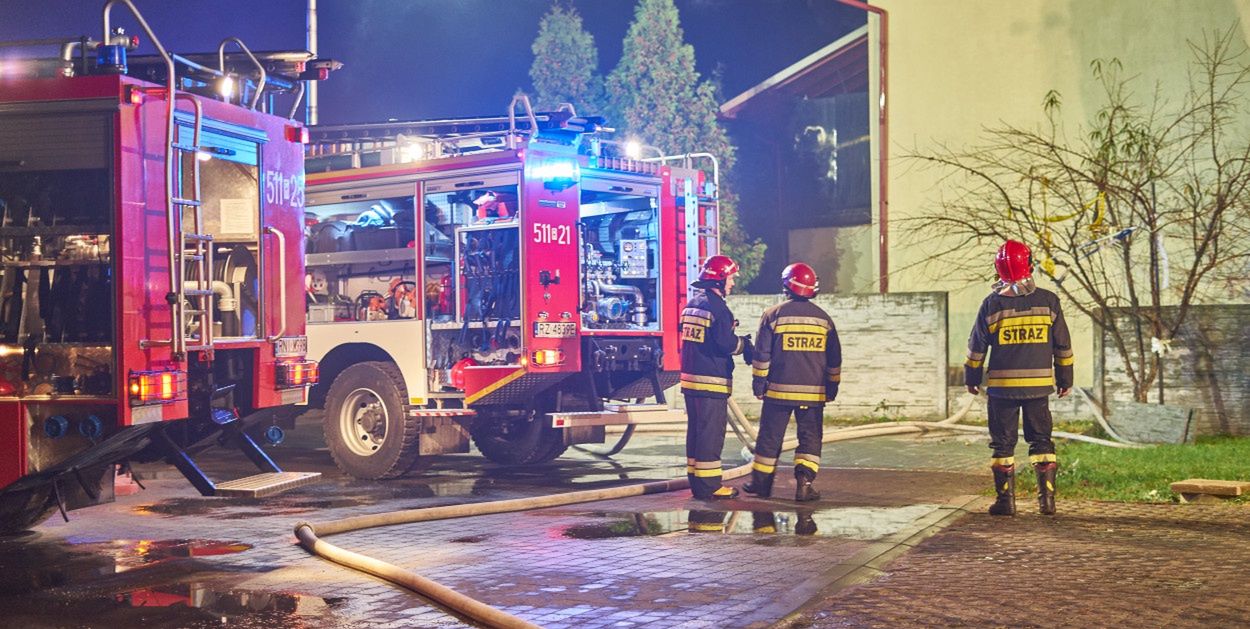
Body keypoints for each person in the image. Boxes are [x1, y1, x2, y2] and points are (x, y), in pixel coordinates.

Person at [965, 240, 1073, 516]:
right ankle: (1047, 503)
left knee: (1003, 444)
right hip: (1038, 388)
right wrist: (1065, 379)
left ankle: (1005, 503)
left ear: (999, 270)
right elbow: (1063, 345)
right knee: (1042, 442)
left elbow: (976, 347)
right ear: (1029, 264)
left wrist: (971, 377)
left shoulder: (991, 305)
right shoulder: (1049, 301)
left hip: (1002, 391)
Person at [742, 262, 841, 502]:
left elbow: (762, 355)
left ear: (786, 285)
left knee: (769, 438)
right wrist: (832, 387)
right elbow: (834, 359)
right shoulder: (824, 320)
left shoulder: (773, 315)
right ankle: (804, 484)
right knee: (810, 439)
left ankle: (761, 485)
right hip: (813, 394)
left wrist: (759, 384)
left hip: (778, 392)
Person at [681, 255, 752, 500]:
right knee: (710, 435)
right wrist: (746, 345)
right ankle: (710, 486)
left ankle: (697, 482)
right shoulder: (718, 308)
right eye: (730, 278)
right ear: (720, 280)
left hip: (690, 381)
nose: (732, 283)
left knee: (696, 433)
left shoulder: (693, 303)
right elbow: (725, 344)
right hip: (711, 382)